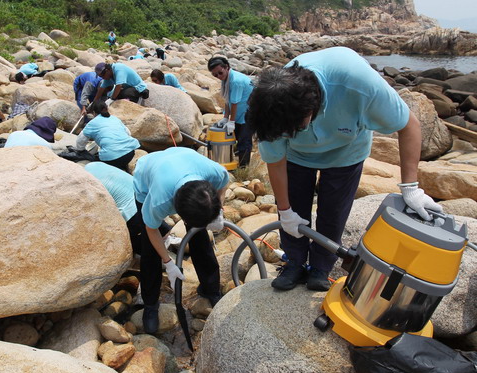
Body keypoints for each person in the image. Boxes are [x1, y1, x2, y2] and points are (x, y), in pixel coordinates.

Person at [246, 47, 442, 292]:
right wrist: (285, 211)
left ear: (309, 112)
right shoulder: (271, 106)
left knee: (333, 213)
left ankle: (320, 268)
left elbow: (409, 125)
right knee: (295, 209)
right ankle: (294, 262)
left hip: (346, 152)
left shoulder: (358, 83)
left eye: (293, 130)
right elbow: (276, 162)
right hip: (298, 156)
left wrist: (411, 188)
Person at [133, 146, 229, 333]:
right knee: (150, 250)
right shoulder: (159, 200)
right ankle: (151, 304)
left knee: (199, 236)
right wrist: (168, 262)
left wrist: (218, 211)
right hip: (147, 175)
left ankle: (210, 288)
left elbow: (224, 183)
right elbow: (151, 230)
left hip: (184, 161)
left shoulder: (213, 173)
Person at [84, 161, 173, 256]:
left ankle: (153, 253)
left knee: (127, 241)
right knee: (153, 222)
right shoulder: (95, 165)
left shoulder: (88, 182)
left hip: (130, 213)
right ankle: (166, 235)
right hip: (145, 200)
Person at [208, 57, 254, 167]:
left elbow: (234, 102)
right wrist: (225, 118)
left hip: (248, 114)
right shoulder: (226, 80)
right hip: (239, 112)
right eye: (215, 75)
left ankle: (244, 168)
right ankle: (238, 157)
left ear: (227, 67)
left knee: (244, 140)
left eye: (220, 73)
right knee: (237, 137)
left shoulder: (236, 81)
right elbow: (228, 100)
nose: (218, 76)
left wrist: (231, 121)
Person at [75, 100, 140, 171]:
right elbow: (128, 133)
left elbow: (80, 140)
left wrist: (80, 150)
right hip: (129, 154)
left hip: (112, 158)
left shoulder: (92, 123)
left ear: (93, 112)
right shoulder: (115, 119)